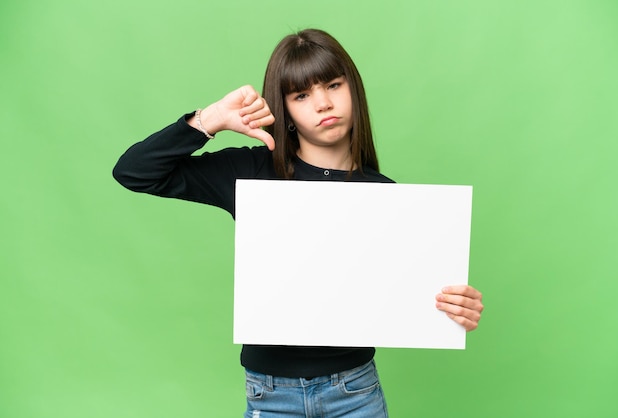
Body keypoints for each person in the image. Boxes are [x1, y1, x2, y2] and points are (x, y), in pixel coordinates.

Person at [113, 28, 483, 418]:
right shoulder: (252, 173)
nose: (323, 103)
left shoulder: (384, 194)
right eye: (302, 95)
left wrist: (455, 308)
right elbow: (135, 172)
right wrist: (210, 120)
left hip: (355, 391)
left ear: (353, 90)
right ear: (284, 109)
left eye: (334, 85)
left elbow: (405, 293)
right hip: (270, 395)